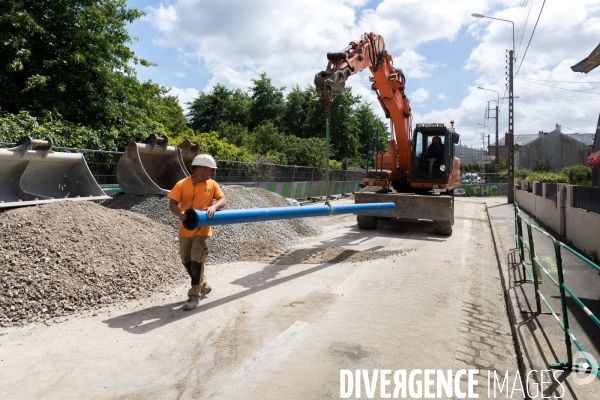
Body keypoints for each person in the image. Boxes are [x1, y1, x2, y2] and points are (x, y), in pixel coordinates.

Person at [168, 154, 227, 311]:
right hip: (185, 230)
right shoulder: (182, 184)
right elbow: (172, 203)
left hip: (203, 230)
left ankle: (193, 297)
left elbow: (223, 199)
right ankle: (204, 285)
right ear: (200, 170)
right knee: (186, 260)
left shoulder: (212, 184)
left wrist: (214, 207)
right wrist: (179, 213)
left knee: (196, 262)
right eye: (210, 170)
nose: (212, 173)